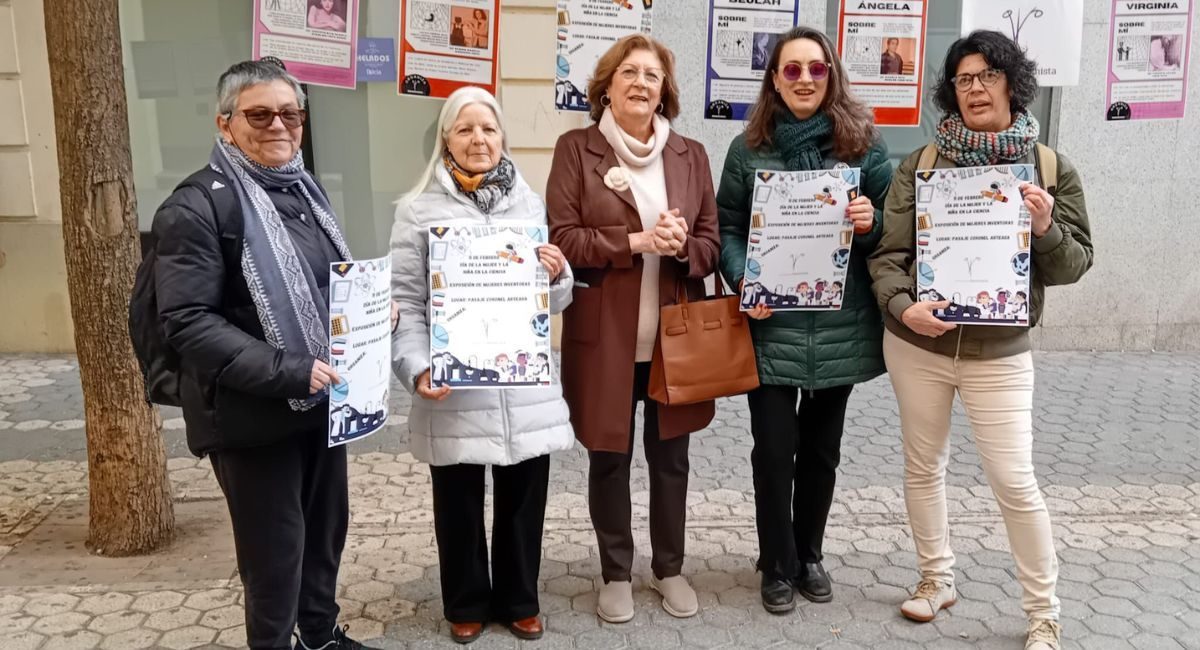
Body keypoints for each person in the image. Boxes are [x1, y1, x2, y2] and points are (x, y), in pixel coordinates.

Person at [869, 31, 1093, 650]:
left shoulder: (1050, 167)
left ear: (1012, 83)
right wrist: (903, 306)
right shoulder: (921, 165)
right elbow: (887, 255)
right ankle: (935, 578)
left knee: (1014, 480)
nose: (975, 89)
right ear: (951, 91)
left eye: (987, 76)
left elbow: (1075, 263)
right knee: (923, 467)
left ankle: (1043, 612)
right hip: (919, 347)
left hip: (999, 354)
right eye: (964, 79)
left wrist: (1045, 226)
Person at [151, 60, 384, 650]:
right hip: (250, 415)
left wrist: (374, 313)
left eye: (291, 114)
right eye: (259, 114)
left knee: (324, 535)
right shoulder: (196, 207)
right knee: (274, 554)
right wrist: (289, 372)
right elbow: (186, 322)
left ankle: (320, 634)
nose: (278, 125)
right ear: (225, 124)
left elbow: (325, 288)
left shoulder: (304, 189)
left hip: (321, 403)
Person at [716, 26, 892, 614]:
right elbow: (729, 228)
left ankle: (810, 553)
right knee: (772, 450)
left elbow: (895, 234)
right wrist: (743, 279)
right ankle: (776, 560)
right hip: (772, 324)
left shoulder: (864, 147)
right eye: (791, 70)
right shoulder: (749, 150)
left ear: (831, 74)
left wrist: (870, 223)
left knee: (821, 451)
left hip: (840, 324)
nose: (804, 80)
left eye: (815, 69)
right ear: (773, 79)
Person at [391, 86, 576, 645]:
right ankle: (466, 602)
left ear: (503, 139)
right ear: (446, 138)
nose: (479, 140)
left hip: (521, 385)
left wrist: (556, 275)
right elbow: (404, 302)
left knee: (524, 499)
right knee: (458, 503)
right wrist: (419, 368)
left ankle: (520, 599)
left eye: (489, 129)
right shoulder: (417, 210)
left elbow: (549, 301)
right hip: (454, 386)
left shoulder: (529, 202)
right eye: (465, 129)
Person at [546, 33, 720, 624]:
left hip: (675, 337)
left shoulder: (691, 155)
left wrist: (680, 250)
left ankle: (670, 566)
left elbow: (712, 245)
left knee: (672, 458)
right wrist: (636, 241)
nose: (642, 83)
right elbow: (563, 237)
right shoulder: (577, 148)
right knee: (610, 455)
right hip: (607, 336)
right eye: (630, 72)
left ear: (665, 90)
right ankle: (615, 571)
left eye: (652, 75)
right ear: (607, 85)